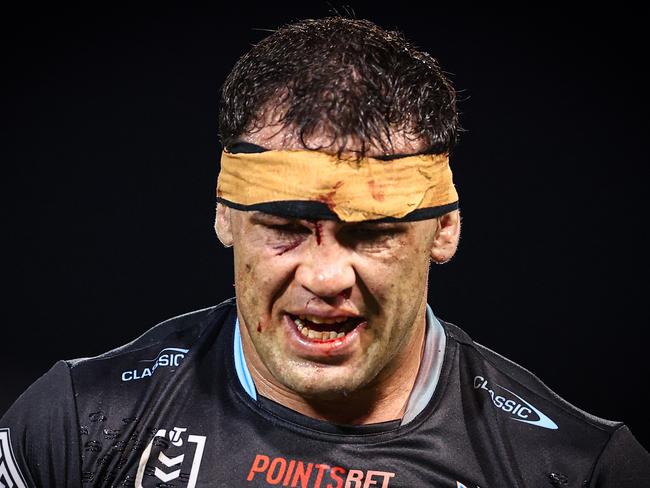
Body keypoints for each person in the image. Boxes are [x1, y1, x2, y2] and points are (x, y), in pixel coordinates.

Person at [1, 16, 648, 488]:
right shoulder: (78, 424)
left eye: (373, 232)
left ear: (445, 229)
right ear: (226, 216)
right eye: (284, 225)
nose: (327, 275)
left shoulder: (579, 468)